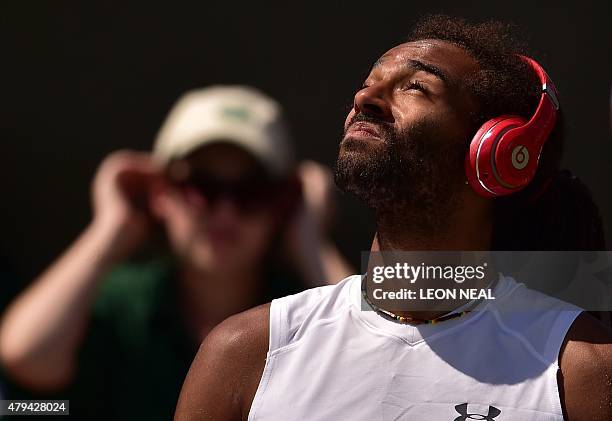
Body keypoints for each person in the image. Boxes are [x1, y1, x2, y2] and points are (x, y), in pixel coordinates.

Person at [174, 16, 612, 421]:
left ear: (495, 152)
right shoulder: (246, 352)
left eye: (416, 87)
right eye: (368, 84)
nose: (365, 99)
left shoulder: (580, 370)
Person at [0, 85, 352, 420]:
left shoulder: (308, 305)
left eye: (251, 192)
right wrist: (108, 230)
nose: (225, 213)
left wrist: (312, 245)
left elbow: (395, 350)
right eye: (201, 188)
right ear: (160, 194)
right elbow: (24, 357)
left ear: (282, 204)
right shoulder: (125, 297)